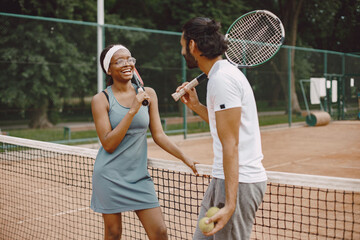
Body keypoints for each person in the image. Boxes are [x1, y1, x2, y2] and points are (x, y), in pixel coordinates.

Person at [90, 44, 198, 240]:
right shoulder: (101, 99)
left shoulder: (149, 93)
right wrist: (132, 110)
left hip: (139, 177)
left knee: (159, 232)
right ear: (108, 69)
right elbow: (108, 144)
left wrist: (185, 158)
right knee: (113, 234)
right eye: (119, 61)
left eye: (130, 59)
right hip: (109, 176)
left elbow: (159, 135)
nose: (127, 64)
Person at [176, 17, 267, 239]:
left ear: (192, 46)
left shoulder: (222, 79)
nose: (181, 52)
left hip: (239, 181)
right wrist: (196, 106)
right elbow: (224, 127)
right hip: (224, 179)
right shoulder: (219, 76)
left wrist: (230, 204)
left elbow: (231, 144)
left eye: (182, 45)